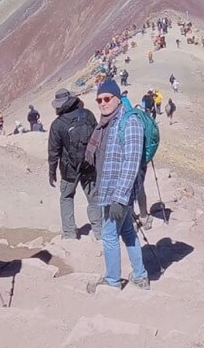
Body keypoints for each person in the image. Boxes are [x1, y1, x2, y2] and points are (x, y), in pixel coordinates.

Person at [84, 83, 150, 293]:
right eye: (99, 99)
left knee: (109, 234)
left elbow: (131, 162)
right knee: (128, 231)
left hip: (118, 193)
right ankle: (140, 276)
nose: (103, 103)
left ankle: (112, 281)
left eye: (107, 98)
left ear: (118, 98)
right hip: (110, 190)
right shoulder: (108, 123)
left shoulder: (129, 121)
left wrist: (120, 199)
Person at [48, 89, 100, 240]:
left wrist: (52, 172)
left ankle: (70, 234)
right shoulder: (88, 115)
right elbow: (97, 138)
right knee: (94, 197)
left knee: (66, 197)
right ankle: (99, 231)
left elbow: (53, 152)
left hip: (69, 169)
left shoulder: (57, 125)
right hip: (89, 165)